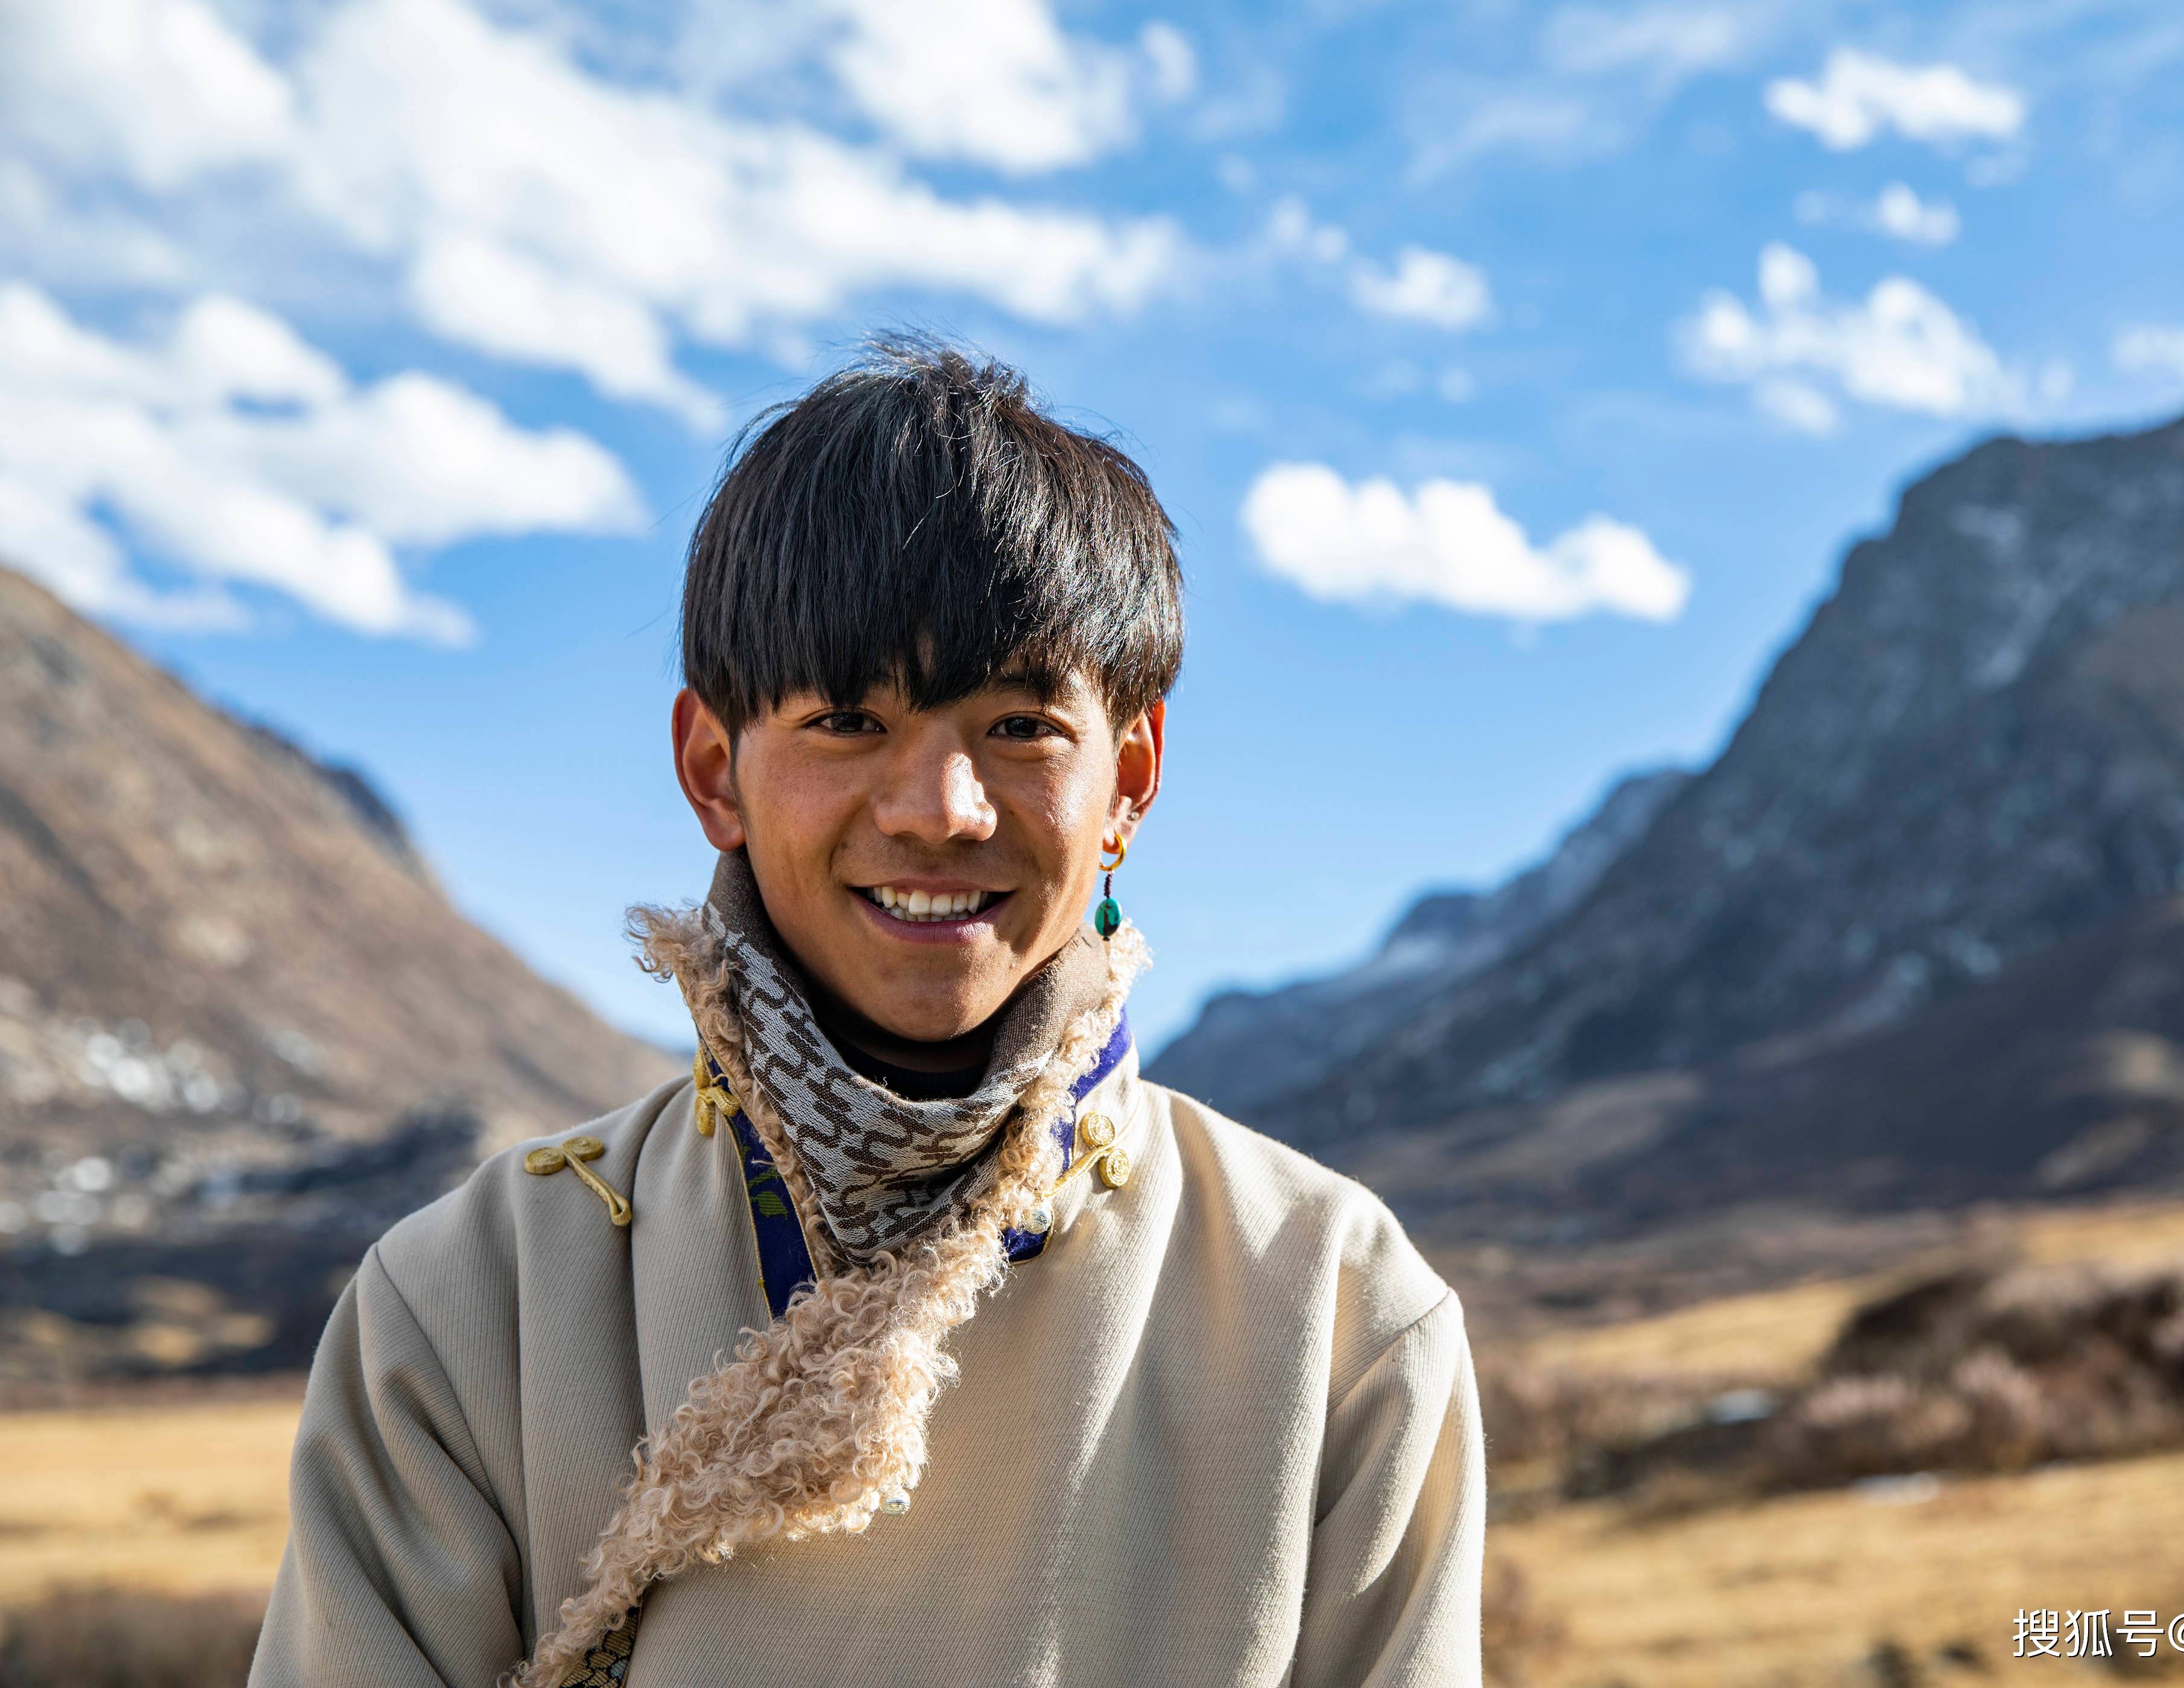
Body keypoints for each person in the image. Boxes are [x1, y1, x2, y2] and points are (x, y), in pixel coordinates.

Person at [248, 336, 1487, 1687]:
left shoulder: (1332, 1309)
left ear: (1130, 776)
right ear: (714, 769)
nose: (936, 808)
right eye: (848, 718)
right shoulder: (468, 1309)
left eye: (1021, 725)